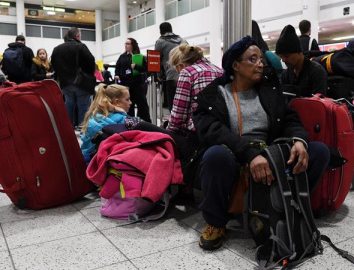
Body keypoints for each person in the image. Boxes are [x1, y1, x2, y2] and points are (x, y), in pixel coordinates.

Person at [192, 36, 330, 251]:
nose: (260, 64)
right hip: (235, 153)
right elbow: (212, 132)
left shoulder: (269, 90)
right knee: (215, 156)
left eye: (261, 59)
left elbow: (290, 119)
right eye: (252, 59)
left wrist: (299, 140)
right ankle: (216, 222)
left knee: (319, 152)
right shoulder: (215, 96)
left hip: (269, 152)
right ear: (235, 65)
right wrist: (249, 154)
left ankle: (290, 207)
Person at [135, 44, 223, 164]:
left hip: (197, 142)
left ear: (181, 65)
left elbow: (177, 119)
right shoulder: (219, 70)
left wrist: (167, 130)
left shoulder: (187, 73)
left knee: (142, 127)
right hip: (220, 136)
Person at [80, 84, 140, 164]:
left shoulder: (93, 116)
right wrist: (124, 113)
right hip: (107, 166)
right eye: (127, 99)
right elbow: (142, 126)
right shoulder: (124, 120)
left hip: (87, 163)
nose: (130, 103)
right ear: (117, 102)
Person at [51, 27, 95, 128]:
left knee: (69, 103)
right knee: (83, 104)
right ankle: (81, 127)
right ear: (77, 36)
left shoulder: (57, 49)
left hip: (65, 82)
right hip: (81, 82)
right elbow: (91, 61)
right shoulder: (81, 46)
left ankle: (68, 126)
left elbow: (53, 64)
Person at [276, 25, 327, 97]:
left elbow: (319, 104)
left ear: (299, 52)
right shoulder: (286, 74)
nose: (283, 60)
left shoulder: (316, 72)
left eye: (286, 56)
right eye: (281, 57)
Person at [114, 38, 151, 122]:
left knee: (142, 105)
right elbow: (117, 68)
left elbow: (146, 69)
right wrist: (117, 75)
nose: (126, 45)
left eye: (128, 44)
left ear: (132, 45)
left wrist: (136, 67)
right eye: (125, 44)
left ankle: (146, 123)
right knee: (128, 105)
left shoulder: (140, 57)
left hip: (138, 84)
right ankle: (129, 122)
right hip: (126, 84)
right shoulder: (122, 57)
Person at [154, 22, 187, 111]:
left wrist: (159, 75)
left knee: (173, 104)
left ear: (160, 32)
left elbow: (157, 60)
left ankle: (174, 123)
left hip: (171, 76)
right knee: (186, 102)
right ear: (171, 30)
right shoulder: (183, 40)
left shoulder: (160, 42)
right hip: (186, 75)